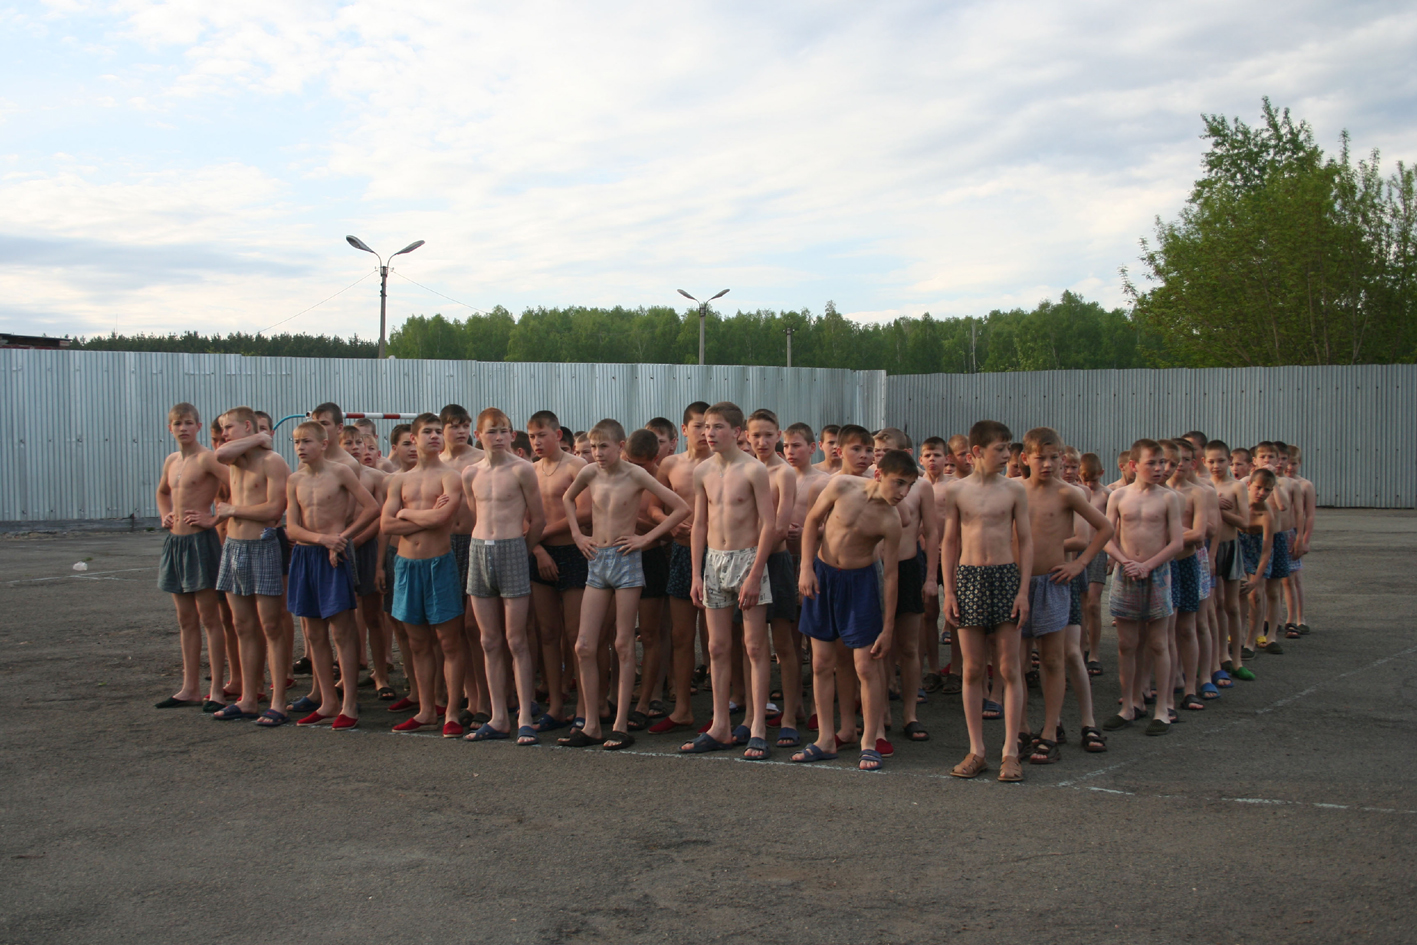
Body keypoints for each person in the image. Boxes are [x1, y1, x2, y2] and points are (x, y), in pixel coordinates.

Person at [559, 419, 689, 750]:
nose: (597, 453)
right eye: (593, 447)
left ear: (620, 447)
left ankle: (619, 724)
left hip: (626, 560)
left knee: (623, 643)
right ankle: (591, 724)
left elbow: (680, 508)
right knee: (584, 645)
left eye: (604, 446)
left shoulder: (636, 474)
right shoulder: (589, 472)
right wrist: (577, 535)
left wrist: (646, 538)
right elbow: (567, 499)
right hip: (597, 560)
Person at [791, 450, 913, 771]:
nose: (903, 492)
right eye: (899, 483)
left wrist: (888, 628)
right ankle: (826, 739)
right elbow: (812, 520)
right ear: (879, 475)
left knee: (865, 666)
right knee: (821, 662)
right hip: (824, 576)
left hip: (861, 584)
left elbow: (891, 576)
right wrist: (806, 567)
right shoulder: (842, 485)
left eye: (909, 485)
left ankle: (869, 742)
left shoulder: (891, 520)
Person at [680, 402, 777, 761]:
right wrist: (696, 573)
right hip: (714, 562)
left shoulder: (753, 469)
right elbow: (699, 524)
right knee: (717, 647)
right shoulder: (703, 471)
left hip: (747, 559)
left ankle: (758, 728)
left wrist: (756, 573)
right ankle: (720, 726)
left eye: (718, 426)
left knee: (754, 646)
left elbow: (769, 524)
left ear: (736, 432)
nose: (710, 433)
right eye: (706, 426)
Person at [1018, 428, 1113, 763]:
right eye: (1040, 458)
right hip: (1018, 583)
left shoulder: (1068, 493)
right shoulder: (1014, 490)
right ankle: (1021, 729)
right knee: (1015, 662)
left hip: (1053, 582)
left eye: (1053, 457)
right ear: (1025, 458)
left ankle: (1050, 731)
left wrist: (1080, 564)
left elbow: (1105, 528)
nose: (1047, 464)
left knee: (1054, 658)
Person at [284, 420, 380, 729]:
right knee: (314, 633)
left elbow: (372, 508)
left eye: (307, 441)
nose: (300, 447)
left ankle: (349, 704)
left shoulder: (340, 472)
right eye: (296, 442)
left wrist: (342, 538)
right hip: (307, 555)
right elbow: (292, 527)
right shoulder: (294, 479)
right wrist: (321, 539)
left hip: (334, 557)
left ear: (324, 444)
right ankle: (328, 701)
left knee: (342, 631)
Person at [459, 408, 547, 745]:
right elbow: (475, 513)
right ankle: (498, 717)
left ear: (512, 435)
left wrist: (523, 550)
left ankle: (524, 716)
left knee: (517, 639)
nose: (498, 437)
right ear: (479, 435)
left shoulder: (522, 469)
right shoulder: (471, 473)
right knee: (488, 640)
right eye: (491, 431)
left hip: (512, 548)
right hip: (480, 549)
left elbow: (538, 518)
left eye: (503, 431)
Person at [383, 413, 466, 735]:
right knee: (417, 643)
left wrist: (405, 512)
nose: (434, 436)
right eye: (427, 432)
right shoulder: (398, 481)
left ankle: (452, 712)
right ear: (413, 439)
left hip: (438, 564)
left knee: (449, 642)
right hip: (406, 566)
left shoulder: (450, 477)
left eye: (437, 431)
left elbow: (442, 520)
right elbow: (386, 525)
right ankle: (427, 710)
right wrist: (424, 515)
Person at [210, 407, 292, 725]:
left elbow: (273, 510)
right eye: (222, 429)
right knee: (242, 625)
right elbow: (220, 454)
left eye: (229, 427)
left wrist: (233, 510)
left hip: (263, 545)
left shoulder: (273, 461)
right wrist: (258, 437)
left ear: (246, 426)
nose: (224, 434)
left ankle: (278, 701)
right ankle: (247, 698)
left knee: (270, 626)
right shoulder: (234, 459)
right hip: (234, 546)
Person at [1103, 439, 1184, 736]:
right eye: (1152, 463)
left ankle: (1162, 708)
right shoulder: (1118, 496)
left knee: (1158, 643)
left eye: (1162, 463)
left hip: (1157, 574)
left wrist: (1148, 565)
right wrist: (1125, 561)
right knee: (1127, 644)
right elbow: (1107, 536)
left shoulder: (1168, 498)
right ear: (1134, 465)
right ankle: (1129, 704)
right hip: (1126, 573)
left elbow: (1177, 542)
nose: (1160, 468)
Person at [154, 403, 231, 711]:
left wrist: (214, 518)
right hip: (176, 542)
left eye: (188, 423)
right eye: (177, 423)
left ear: (198, 427)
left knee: (210, 618)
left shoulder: (207, 458)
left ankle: (216, 689)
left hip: (201, 542)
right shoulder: (172, 460)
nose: (183, 428)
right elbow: (163, 492)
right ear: (169, 428)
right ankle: (190, 688)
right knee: (186, 620)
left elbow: (237, 486)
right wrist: (165, 513)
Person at [647, 402, 713, 736]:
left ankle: (729, 705)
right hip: (682, 553)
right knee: (681, 635)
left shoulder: (724, 465)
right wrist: (670, 524)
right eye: (698, 426)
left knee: (721, 639)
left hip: (718, 554)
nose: (704, 433)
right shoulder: (670, 464)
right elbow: (653, 508)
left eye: (710, 426)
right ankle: (683, 708)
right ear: (684, 430)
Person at [526, 410, 590, 731]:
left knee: (576, 635)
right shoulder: (529, 471)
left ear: (558, 435)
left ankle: (584, 707)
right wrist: (538, 549)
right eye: (531, 437)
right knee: (548, 633)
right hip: (540, 555)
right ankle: (555, 705)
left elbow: (586, 512)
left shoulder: (577, 467)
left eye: (542, 435)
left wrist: (542, 533)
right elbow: (520, 515)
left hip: (573, 553)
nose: (536, 442)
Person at [745, 409, 800, 738]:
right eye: (756, 435)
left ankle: (790, 715)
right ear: (746, 436)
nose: (762, 441)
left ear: (778, 435)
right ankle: (752, 716)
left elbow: (780, 527)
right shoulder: (743, 468)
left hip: (774, 563)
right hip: (744, 562)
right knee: (750, 645)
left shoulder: (784, 473)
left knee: (783, 644)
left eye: (768, 435)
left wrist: (756, 563)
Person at [779, 422, 830, 745]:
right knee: (790, 638)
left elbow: (834, 523)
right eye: (786, 446)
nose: (790, 451)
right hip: (784, 561)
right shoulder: (778, 477)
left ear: (812, 448)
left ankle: (815, 705)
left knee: (815, 640)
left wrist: (812, 532)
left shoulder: (823, 481)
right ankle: (794, 701)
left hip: (813, 563)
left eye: (796, 445)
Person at [440, 403, 489, 726]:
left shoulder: (480, 460)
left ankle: (487, 698)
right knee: (454, 628)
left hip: (476, 543)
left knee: (476, 626)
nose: (460, 431)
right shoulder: (437, 463)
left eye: (464, 425)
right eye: (453, 426)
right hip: (445, 545)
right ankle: (469, 698)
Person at [1165, 438, 1210, 713]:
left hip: (1186, 563)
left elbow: (1200, 533)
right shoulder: (1159, 492)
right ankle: (1169, 684)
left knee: (1187, 627)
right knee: (1164, 630)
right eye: (1173, 460)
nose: (1178, 465)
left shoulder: (1198, 493)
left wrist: (1168, 532)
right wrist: (1183, 533)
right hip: (1164, 565)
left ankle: (1191, 688)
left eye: (1184, 459)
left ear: (1193, 463)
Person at [1204, 439, 1252, 684]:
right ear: (1204, 462)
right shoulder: (1203, 485)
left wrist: (1220, 510)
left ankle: (1236, 659)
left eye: (1221, 461)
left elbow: (1245, 522)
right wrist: (1213, 503)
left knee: (1232, 606)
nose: (1216, 466)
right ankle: (1216, 657)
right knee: (1214, 606)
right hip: (1209, 549)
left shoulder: (1237, 487)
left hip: (1230, 547)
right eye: (1211, 461)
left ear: (1229, 461)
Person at [1078, 453, 1111, 676]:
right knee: (1081, 603)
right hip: (1079, 550)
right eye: (1085, 479)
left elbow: (1113, 526)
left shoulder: (1107, 494)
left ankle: (1095, 653)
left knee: (1094, 603)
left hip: (1098, 551)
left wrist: (1113, 556)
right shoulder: (1077, 493)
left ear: (1102, 474)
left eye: (1093, 480)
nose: (1089, 484)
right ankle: (1081, 647)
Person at [1285, 445, 1315, 635]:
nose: (1289, 467)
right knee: (1280, 580)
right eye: (1286, 463)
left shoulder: (1305, 485)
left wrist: (1304, 539)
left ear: (1300, 463)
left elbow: (1309, 515)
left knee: (1295, 578)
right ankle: (1277, 618)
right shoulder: (1278, 482)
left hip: (1295, 533)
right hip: (1280, 531)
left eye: (1294, 463)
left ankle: (1299, 617)